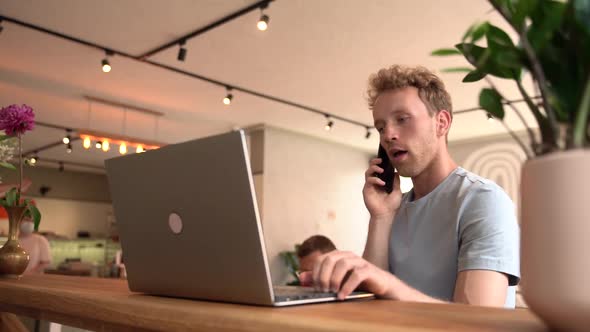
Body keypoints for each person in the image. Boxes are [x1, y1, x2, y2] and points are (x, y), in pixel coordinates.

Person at [301, 65, 520, 308]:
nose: (388, 135)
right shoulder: (391, 209)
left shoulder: (483, 200)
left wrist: (388, 285)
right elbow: (371, 309)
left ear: (442, 123)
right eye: (381, 127)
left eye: (402, 119)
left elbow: (479, 321)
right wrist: (381, 216)